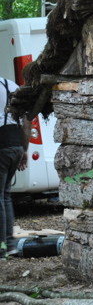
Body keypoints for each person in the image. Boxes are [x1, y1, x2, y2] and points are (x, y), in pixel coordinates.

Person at [0, 77, 30, 258]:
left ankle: (1, 248)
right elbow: (27, 122)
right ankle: (10, 245)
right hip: (16, 144)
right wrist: (24, 149)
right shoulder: (11, 85)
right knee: (5, 195)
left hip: (1, 144)